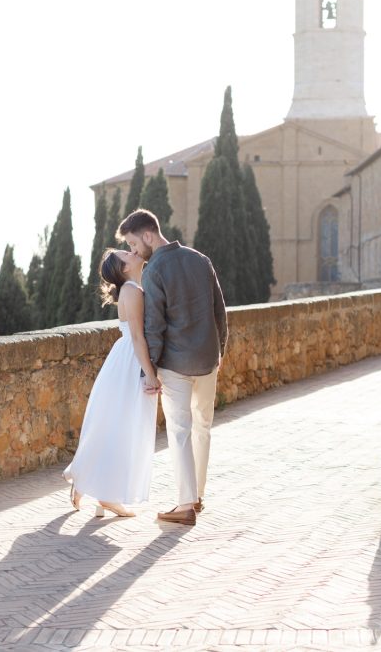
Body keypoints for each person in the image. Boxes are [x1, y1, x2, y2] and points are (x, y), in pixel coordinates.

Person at [117, 209, 227, 526]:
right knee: (203, 427)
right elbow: (220, 311)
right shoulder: (200, 259)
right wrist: (221, 349)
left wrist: (147, 372)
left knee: (180, 431)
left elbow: (154, 327)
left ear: (149, 235)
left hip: (175, 364)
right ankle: (198, 496)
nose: (135, 251)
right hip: (208, 360)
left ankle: (185, 504)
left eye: (134, 244)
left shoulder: (154, 271)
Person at [62, 248, 158, 518]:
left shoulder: (131, 288)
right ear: (124, 268)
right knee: (124, 426)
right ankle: (106, 494)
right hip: (131, 361)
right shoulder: (132, 290)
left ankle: (88, 480)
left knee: (114, 424)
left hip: (124, 359)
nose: (133, 252)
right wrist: (150, 374)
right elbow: (139, 337)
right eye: (126, 254)